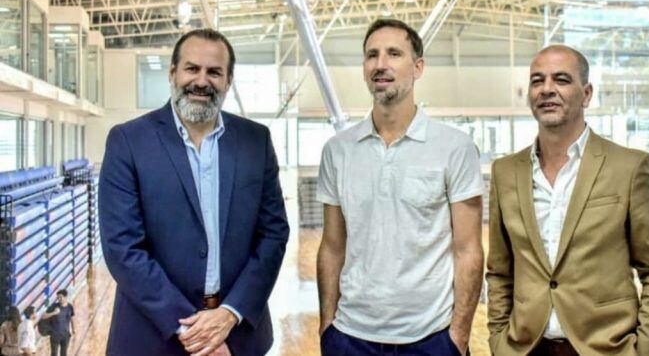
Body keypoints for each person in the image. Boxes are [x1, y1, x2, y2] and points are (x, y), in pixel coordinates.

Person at [99, 28, 290, 356]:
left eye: (214, 72)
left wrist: (230, 314)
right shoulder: (129, 141)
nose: (201, 81)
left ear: (228, 80)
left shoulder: (255, 141)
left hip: (237, 335)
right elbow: (122, 247)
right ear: (173, 73)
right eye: (192, 69)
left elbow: (273, 234)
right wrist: (193, 331)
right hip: (152, 336)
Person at [486, 45, 649, 355]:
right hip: (525, 348)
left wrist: (646, 350)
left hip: (606, 348)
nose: (547, 89)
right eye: (538, 80)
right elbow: (499, 271)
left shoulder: (630, 167)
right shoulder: (505, 172)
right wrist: (499, 340)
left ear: (586, 94)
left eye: (561, 79)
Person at [316, 19, 485, 356]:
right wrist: (326, 328)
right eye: (372, 55)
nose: (381, 64)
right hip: (350, 336)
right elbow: (332, 247)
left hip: (432, 337)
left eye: (394, 54)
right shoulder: (338, 150)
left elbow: (468, 250)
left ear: (418, 67)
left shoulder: (455, 147)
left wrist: (459, 336)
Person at [43, 291, 74, 356]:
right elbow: (44, 316)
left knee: (64, 353)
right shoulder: (54, 306)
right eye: (58, 298)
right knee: (54, 354)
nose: (59, 299)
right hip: (55, 335)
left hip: (66, 335)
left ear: (65, 297)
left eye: (60, 297)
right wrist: (54, 313)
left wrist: (73, 329)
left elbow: (71, 318)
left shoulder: (70, 306)